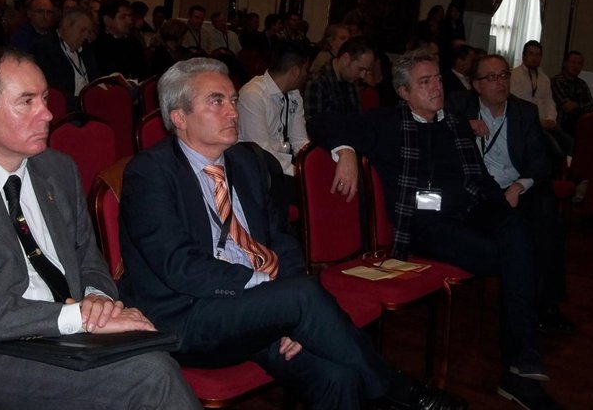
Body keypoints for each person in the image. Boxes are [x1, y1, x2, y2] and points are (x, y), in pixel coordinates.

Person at [116, 57, 467, 410]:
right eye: (216, 101)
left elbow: (282, 239)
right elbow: (179, 266)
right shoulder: (149, 174)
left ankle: (385, 389)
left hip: (256, 311)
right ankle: (402, 391)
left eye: (233, 100)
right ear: (179, 117)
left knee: (337, 376)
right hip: (190, 317)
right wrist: (277, 298)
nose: (233, 112)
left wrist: (288, 315)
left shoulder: (246, 163)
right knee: (301, 297)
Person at [0, 48, 200, 410]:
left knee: (156, 352)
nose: (48, 113)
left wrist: (98, 300)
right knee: (151, 375)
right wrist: (76, 317)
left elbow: (88, 258)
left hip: (65, 336)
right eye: (27, 102)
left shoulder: (57, 168)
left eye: (44, 98)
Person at [309, 49, 563, 410]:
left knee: (518, 232)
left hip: (472, 209)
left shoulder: (455, 123)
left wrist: (502, 207)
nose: (436, 88)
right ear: (403, 92)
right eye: (425, 82)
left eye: (438, 79)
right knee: (514, 255)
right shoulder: (387, 123)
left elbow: (480, 177)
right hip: (426, 225)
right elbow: (321, 122)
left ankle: (521, 364)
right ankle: (519, 368)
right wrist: (345, 150)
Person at [449, 55, 574, 336]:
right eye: (491, 77)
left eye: (504, 75)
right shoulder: (459, 105)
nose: (500, 82)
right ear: (476, 85)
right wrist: (464, 126)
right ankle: (519, 298)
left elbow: (540, 162)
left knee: (547, 218)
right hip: (479, 190)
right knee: (513, 226)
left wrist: (518, 188)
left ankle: (546, 305)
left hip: (516, 185)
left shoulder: (524, 112)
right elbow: (432, 125)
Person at [238, 41, 310, 178]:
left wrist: (311, 166)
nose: (307, 75)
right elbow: (261, 151)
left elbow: (299, 140)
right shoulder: (253, 95)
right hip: (258, 170)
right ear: (295, 71)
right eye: (305, 70)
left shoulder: (294, 94)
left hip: (283, 166)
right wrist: (298, 173)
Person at [510, 41, 573, 159]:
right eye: (531, 54)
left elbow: (550, 101)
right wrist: (538, 121)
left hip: (546, 122)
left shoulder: (544, 78)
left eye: (538, 55)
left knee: (570, 144)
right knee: (556, 151)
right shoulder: (514, 76)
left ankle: (567, 169)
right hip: (528, 123)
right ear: (524, 55)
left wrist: (551, 119)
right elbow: (514, 104)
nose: (534, 58)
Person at [33, 8, 99, 113]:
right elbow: (54, 93)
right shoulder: (45, 49)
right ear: (67, 25)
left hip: (88, 107)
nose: (86, 36)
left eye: (88, 32)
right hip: (66, 111)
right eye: (82, 30)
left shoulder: (87, 52)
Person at [304, 36, 375, 119]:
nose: (362, 75)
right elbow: (314, 123)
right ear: (346, 59)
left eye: (366, 71)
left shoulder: (351, 79)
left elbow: (357, 116)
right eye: (360, 69)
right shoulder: (317, 82)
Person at [91, 0, 149, 80]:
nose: (129, 21)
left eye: (130, 16)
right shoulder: (98, 47)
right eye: (123, 17)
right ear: (107, 20)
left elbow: (144, 72)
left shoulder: (134, 43)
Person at [551, 50, 593, 137]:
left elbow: (591, 106)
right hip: (559, 126)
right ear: (565, 64)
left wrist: (576, 105)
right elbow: (567, 106)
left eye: (579, 63)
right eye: (573, 62)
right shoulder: (557, 81)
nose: (576, 66)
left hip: (578, 127)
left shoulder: (582, 84)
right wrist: (581, 105)